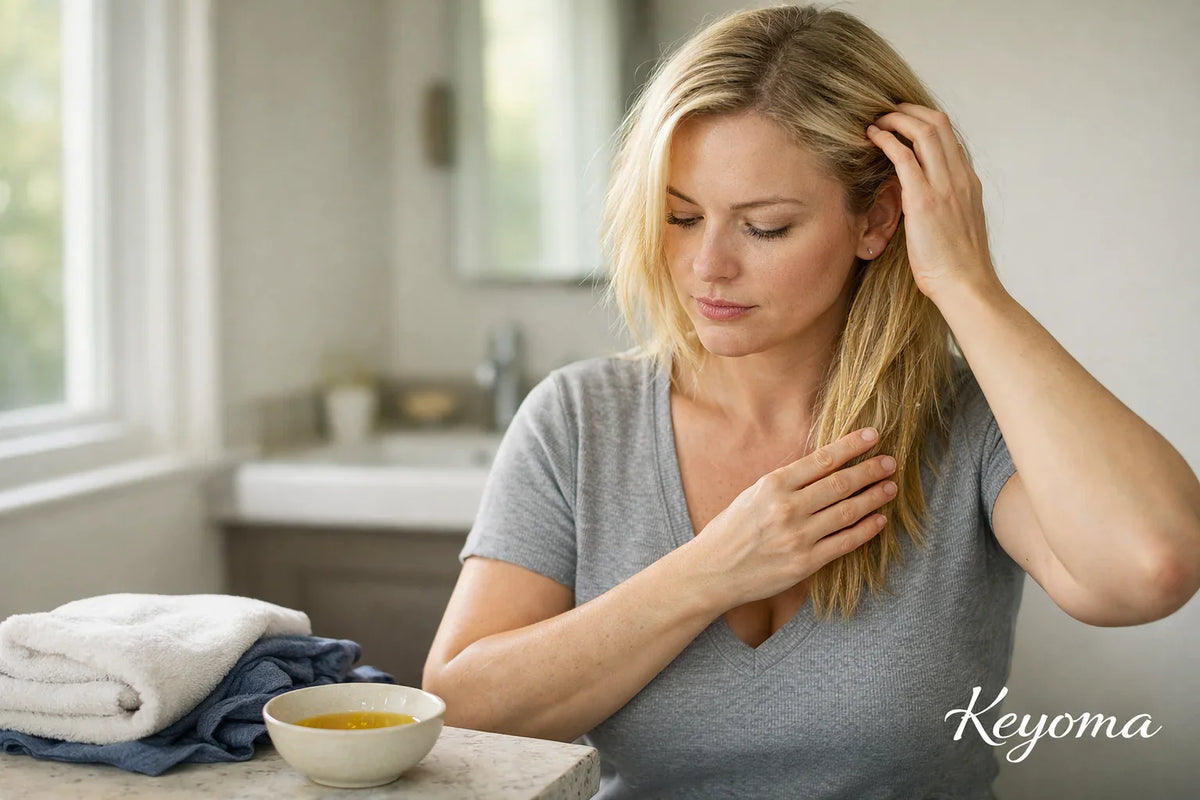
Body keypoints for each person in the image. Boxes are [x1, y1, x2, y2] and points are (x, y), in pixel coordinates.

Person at [423, 5, 1200, 798]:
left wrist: (967, 285)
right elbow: (462, 711)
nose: (707, 266)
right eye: (680, 216)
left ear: (876, 221)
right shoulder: (580, 421)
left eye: (765, 228)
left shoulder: (970, 424)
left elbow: (1151, 566)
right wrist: (709, 573)